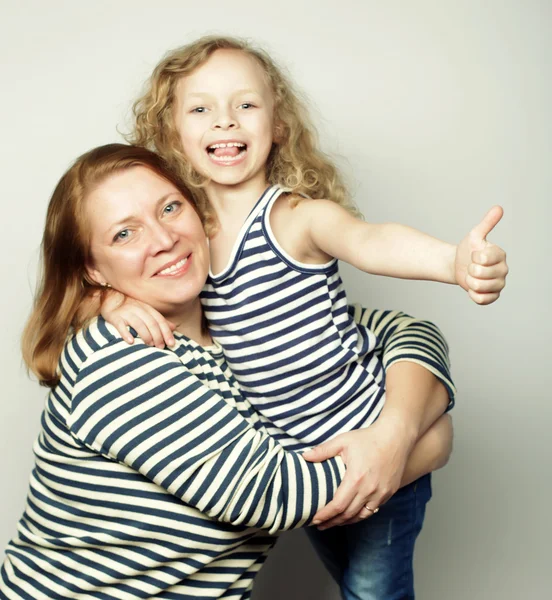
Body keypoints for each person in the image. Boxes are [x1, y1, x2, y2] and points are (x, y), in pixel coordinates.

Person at [98, 35, 505, 599]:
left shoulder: (295, 218)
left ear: (278, 124)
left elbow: (368, 240)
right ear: (171, 134)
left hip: (370, 440)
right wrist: (110, 298)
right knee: (345, 580)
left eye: (246, 104)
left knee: (372, 593)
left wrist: (452, 262)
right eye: (200, 109)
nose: (225, 122)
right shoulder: (181, 241)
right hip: (306, 469)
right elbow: (103, 261)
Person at [0, 144, 453, 599]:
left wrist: (397, 429)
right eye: (125, 234)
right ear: (93, 270)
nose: (163, 239)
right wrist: (425, 446)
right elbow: (277, 493)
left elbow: (407, 331)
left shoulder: (242, 325)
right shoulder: (118, 355)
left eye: (170, 208)